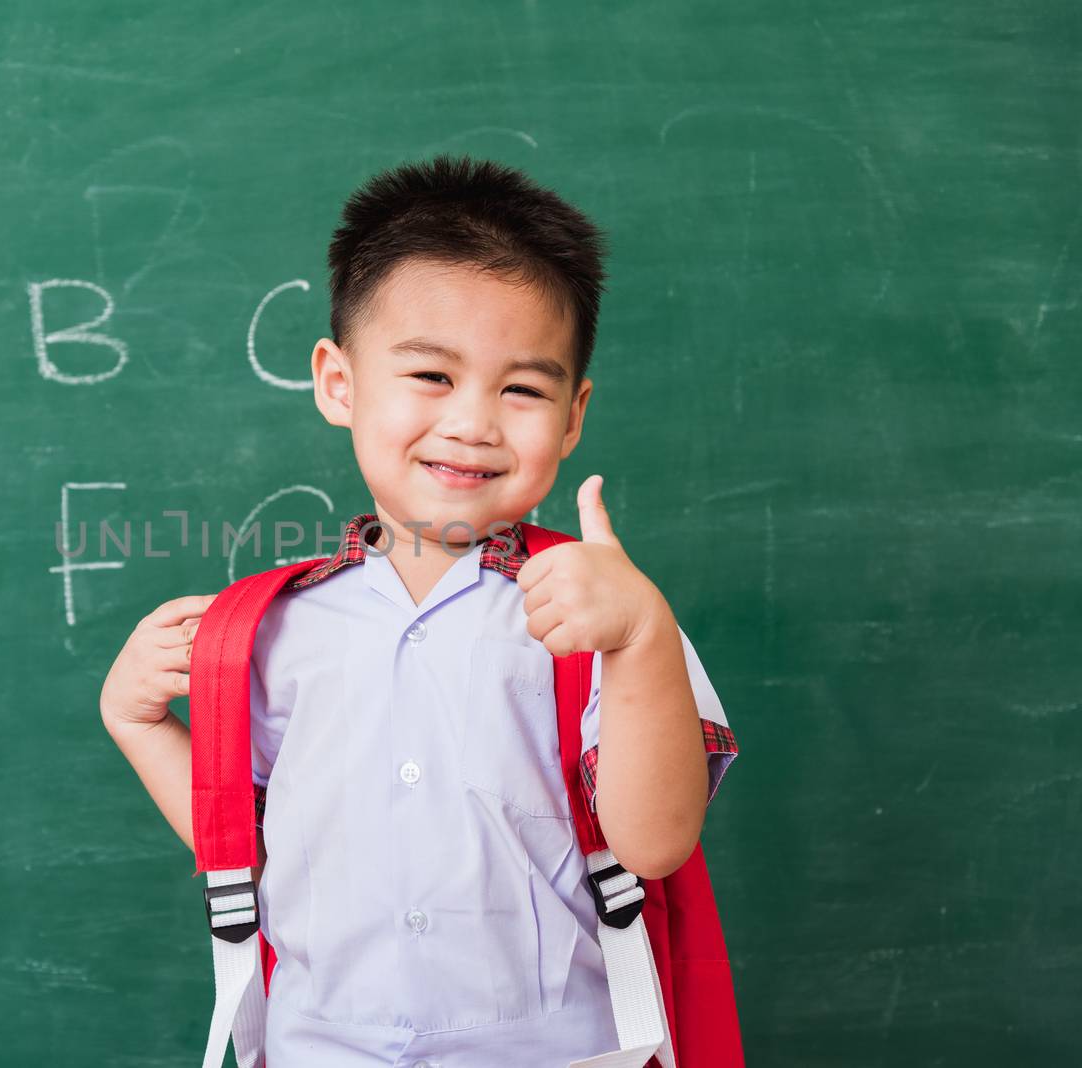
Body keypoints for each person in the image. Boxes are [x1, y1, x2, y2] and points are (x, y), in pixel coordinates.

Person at [100, 155, 739, 1066]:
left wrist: (640, 638)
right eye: (432, 377)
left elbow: (657, 841)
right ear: (338, 382)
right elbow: (254, 853)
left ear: (572, 416)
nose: (474, 421)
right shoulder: (270, 626)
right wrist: (137, 722)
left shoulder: (605, 611)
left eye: (522, 389)